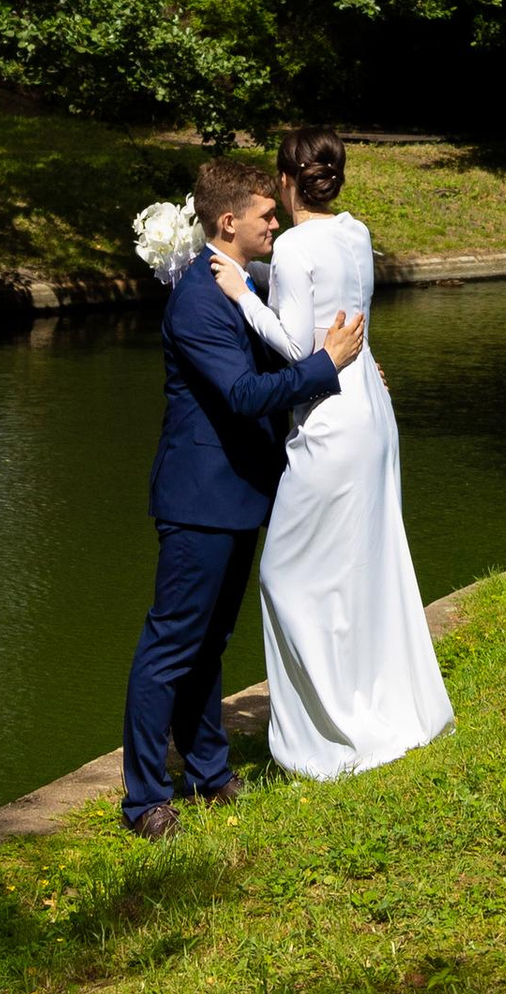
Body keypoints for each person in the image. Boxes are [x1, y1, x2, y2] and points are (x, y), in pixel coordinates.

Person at [121, 158, 363, 840]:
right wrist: (327, 366)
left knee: (210, 642)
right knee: (171, 644)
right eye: (266, 214)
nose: (276, 222)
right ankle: (145, 800)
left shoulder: (242, 284)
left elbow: (279, 348)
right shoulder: (199, 299)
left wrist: (353, 370)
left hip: (238, 494)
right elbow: (242, 394)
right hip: (199, 498)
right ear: (229, 222)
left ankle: (208, 772)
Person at [212, 123, 453, 778]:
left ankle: (329, 733)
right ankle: (377, 704)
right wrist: (261, 272)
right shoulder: (355, 233)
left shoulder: (295, 247)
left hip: (330, 423)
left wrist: (243, 292)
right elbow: (335, 300)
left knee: (284, 573)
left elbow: (299, 347)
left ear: (285, 180)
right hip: (373, 413)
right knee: (363, 565)